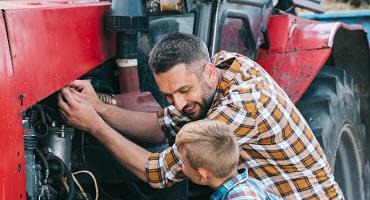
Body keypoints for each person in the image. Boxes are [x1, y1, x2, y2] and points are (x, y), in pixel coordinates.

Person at [58, 32, 343, 199]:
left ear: (207, 72)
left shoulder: (242, 106)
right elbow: (162, 125)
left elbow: (157, 172)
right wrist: (97, 106)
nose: (178, 103)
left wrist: (94, 126)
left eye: (183, 90)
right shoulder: (221, 68)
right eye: (168, 95)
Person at [175, 120, 280, 200]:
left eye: (183, 162)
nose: (180, 164)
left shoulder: (241, 196)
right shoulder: (248, 184)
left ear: (202, 175)